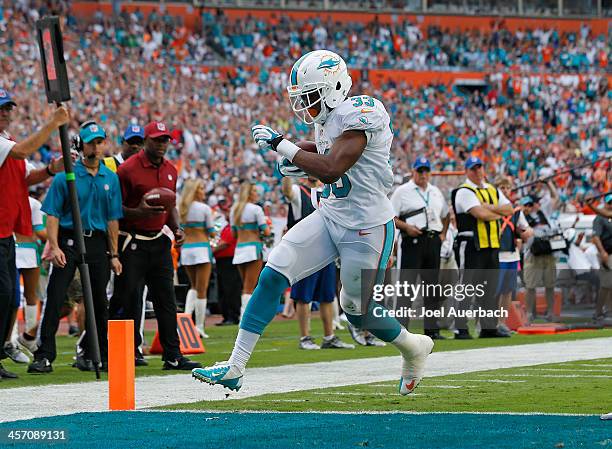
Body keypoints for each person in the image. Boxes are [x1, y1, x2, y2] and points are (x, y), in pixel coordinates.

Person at [193, 50, 433, 396]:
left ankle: (412, 347)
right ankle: (235, 366)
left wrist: (284, 147)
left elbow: (334, 165)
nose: (306, 105)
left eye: (310, 96)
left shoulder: (361, 114)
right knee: (274, 271)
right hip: (331, 214)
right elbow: (322, 149)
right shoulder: (329, 119)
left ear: (334, 87)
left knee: (356, 310)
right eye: (302, 98)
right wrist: (299, 155)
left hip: (367, 227)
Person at [28, 121, 123, 373]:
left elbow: (113, 219)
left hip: (97, 241)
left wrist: (114, 254)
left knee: (100, 301)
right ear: (81, 145)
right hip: (69, 240)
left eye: (100, 141)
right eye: (91, 142)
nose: (97, 146)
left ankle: (96, 352)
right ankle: (44, 354)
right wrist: (54, 245)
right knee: (56, 296)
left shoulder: (110, 178)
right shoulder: (66, 177)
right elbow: (53, 214)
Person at [110, 121, 201, 371]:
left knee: (167, 300)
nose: (162, 145)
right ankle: (126, 351)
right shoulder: (127, 170)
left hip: (159, 240)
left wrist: (176, 229)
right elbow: (113, 210)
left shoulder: (171, 169)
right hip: (132, 240)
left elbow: (170, 205)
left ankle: (173, 355)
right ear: (146, 140)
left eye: (165, 140)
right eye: (157, 140)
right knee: (128, 298)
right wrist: (137, 212)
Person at [0, 88, 70, 379]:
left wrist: (52, 168)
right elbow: (23, 152)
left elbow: (29, 176)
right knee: (3, 294)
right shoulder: (8, 146)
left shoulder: (8, 142)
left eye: (8, 108)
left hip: (7, 232)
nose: (6, 112)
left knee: (10, 298)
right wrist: (52, 124)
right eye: (1, 108)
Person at [281, 176, 353, 350]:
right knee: (303, 296)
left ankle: (329, 336)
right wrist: (287, 170)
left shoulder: (328, 192)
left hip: (326, 251)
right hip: (305, 251)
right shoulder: (300, 190)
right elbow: (287, 191)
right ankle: (305, 337)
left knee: (327, 296)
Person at [451, 156, 513, 339]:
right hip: (472, 244)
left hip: (491, 245)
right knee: (467, 286)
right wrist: (496, 212)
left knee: (489, 288)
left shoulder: (492, 189)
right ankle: (460, 328)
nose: (478, 172)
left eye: (480, 168)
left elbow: (509, 209)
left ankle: (489, 327)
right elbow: (480, 214)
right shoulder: (464, 191)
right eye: (474, 169)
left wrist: (489, 208)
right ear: (467, 171)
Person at [391, 156, 449, 339]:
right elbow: (391, 217)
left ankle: (432, 329)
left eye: (426, 171)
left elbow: (446, 214)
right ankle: (401, 329)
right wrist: (407, 227)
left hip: (432, 240)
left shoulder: (436, 191)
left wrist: (443, 234)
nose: (423, 174)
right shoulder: (402, 191)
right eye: (420, 171)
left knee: (432, 287)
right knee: (407, 286)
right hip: (412, 241)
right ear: (413, 172)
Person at [8, 195, 47, 364]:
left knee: (14, 297)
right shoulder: (34, 203)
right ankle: (25, 339)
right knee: (29, 297)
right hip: (29, 250)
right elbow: (40, 231)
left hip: (16, 250)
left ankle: (14, 338)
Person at [494, 177, 531, 334]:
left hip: (512, 255)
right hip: (497, 254)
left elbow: (527, 230)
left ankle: (501, 323)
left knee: (507, 291)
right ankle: (489, 322)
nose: (504, 190)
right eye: (501, 187)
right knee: (494, 291)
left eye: (507, 188)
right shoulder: (493, 209)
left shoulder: (516, 211)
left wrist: (522, 236)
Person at [179, 178, 216, 338]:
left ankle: (185, 323)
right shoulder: (204, 208)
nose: (203, 192)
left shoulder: (181, 208)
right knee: (202, 289)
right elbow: (212, 232)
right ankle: (199, 327)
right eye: (200, 189)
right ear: (195, 190)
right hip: (201, 249)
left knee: (193, 287)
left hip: (186, 249)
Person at [521, 182, 561, 322]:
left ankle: (550, 313)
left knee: (550, 285)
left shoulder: (545, 212)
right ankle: (529, 314)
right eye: (527, 205)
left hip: (548, 253)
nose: (530, 207)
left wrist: (549, 183)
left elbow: (555, 197)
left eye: (532, 204)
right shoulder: (521, 217)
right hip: (532, 255)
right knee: (530, 286)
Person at [230, 181, 271, 318]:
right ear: (248, 193)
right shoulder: (256, 209)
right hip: (253, 249)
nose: (256, 194)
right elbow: (266, 232)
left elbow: (233, 234)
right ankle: (245, 317)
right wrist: (267, 226)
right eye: (254, 191)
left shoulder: (234, 209)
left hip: (239, 250)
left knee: (245, 287)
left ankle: (246, 316)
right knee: (249, 287)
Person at [213, 200, 242, 326]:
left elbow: (225, 243)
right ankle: (226, 315)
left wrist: (210, 251)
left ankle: (232, 316)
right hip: (221, 261)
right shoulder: (225, 227)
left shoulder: (232, 228)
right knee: (224, 289)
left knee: (231, 289)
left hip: (229, 261)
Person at [592, 194, 612, 322]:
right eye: (609, 203)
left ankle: (607, 310)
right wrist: (602, 252)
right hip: (607, 253)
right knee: (606, 284)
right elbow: (596, 237)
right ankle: (599, 311)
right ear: (605, 204)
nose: (611, 205)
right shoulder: (600, 218)